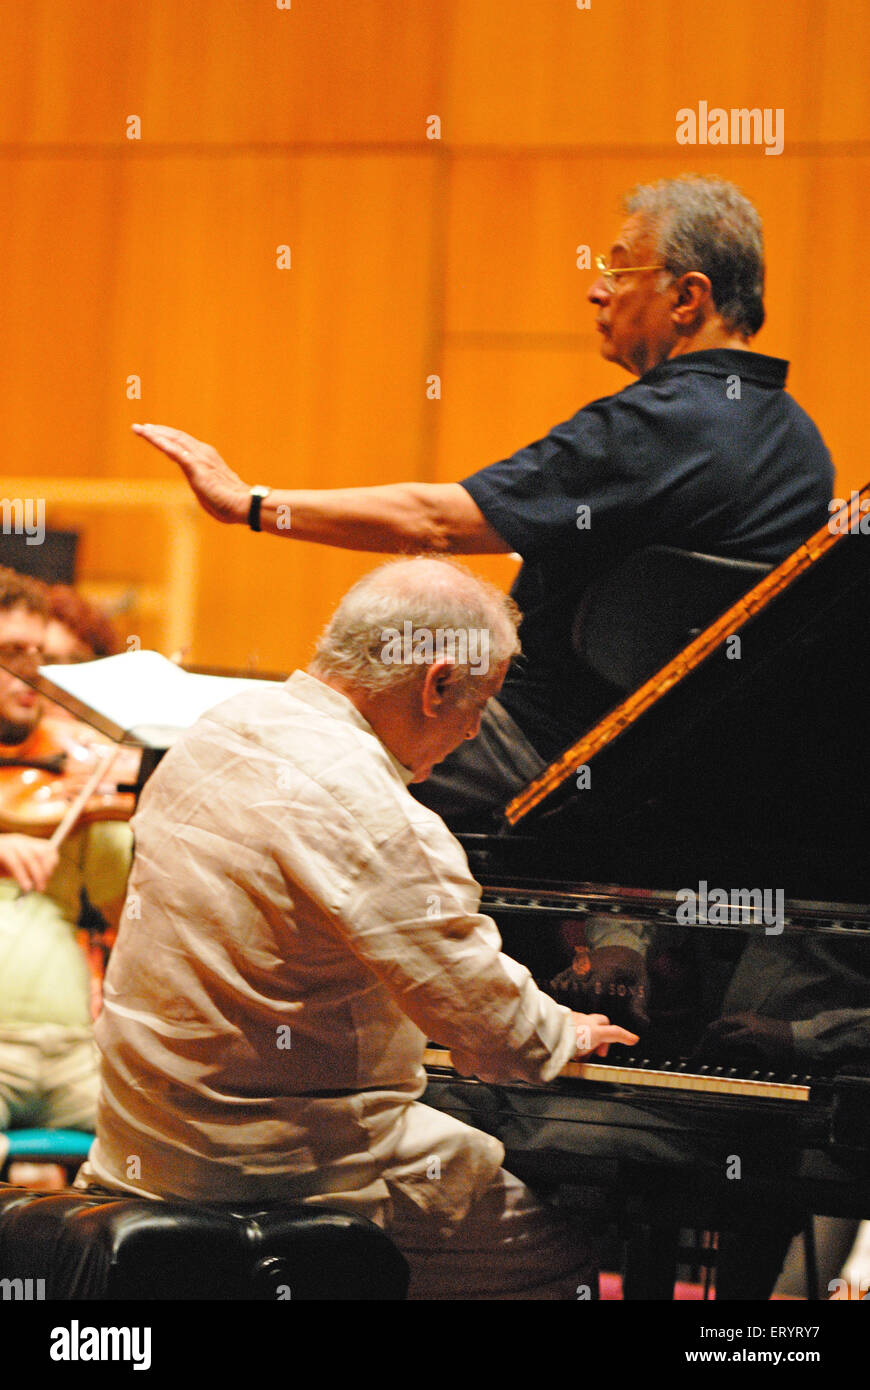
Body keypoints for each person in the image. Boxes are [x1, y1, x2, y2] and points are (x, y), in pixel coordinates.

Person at [129, 175, 835, 1025]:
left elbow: (439, 519)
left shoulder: (655, 424)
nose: (596, 287)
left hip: (540, 752)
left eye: (620, 269)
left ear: (690, 297)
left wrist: (250, 504)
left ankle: (233, 1031)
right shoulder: (802, 447)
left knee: (224, 767)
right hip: (678, 777)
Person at [75, 557, 637, 1299]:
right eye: (481, 706)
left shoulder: (215, 733)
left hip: (138, 1136)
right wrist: (566, 1030)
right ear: (437, 684)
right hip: (275, 1169)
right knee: (555, 1256)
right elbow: (495, 1032)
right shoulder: (377, 811)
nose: (473, 734)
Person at [0, 568, 132, 1180]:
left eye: (36, 656)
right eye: (9, 655)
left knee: (169, 1146)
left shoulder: (73, 777)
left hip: (72, 1050)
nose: (30, 674)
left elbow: (123, 906)